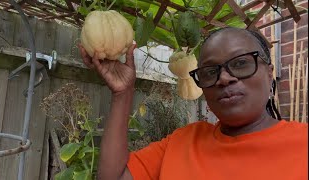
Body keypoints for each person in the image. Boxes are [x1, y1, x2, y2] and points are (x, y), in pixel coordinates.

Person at [79, 27, 308, 180]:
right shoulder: (181, 141)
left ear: (269, 73)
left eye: (240, 63)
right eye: (210, 71)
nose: (224, 78)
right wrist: (122, 93)